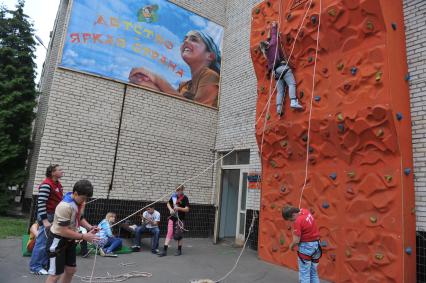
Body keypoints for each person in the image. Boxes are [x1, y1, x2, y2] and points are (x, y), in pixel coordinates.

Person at [129, 30, 221, 107]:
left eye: (194, 39)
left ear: (210, 56)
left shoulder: (211, 76)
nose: (186, 41)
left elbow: (196, 111)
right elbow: (175, 104)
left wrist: (158, 79)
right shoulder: (185, 85)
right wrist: (145, 83)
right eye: (185, 39)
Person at [45, 180, 100, 283]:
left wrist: (90, 227)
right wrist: (84, 236)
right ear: (75, 193)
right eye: (83, 198)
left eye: (86, 199)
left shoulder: (77, 202)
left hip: (69, 241)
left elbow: (80, 218)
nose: (84, 201)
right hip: (57, 242)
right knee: (55, 275)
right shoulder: (65, 207)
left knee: (70, 270)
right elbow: (63, 231)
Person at [259, 21, 303, 116]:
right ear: (267, 43)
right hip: (282, 68)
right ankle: (293, 101)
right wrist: (274, 26)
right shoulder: (272, 45)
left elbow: (270, 38)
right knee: (291, 83)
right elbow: (274, 36)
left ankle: (279, 108)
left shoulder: (266, 53)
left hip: (276, 73)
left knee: (280, 91)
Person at [29, 164, 64, 275]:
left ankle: (42, 264)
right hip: (47, 216)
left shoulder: (58, 184)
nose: (62, 171)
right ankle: (35, 267)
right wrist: (44, 221)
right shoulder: (46, 185)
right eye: (59, 170)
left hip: (54, 216)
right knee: (42, 243)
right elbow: (41, 203)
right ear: (53, 172)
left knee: (48, 242)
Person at [282, 206, 321, 283]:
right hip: (316, 246)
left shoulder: (298, 221)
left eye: (291, 219)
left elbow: (296, 241)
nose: (292, 221)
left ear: (293, 215)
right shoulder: (305, 211)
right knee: (313, 273)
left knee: (304, 274)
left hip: (306, 247)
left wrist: (291, 246)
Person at [158, 185, 190, 257]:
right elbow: (168, 203)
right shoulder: (174, 196)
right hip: (172, 218)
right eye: (177, 190)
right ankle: (164, 250)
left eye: (179, 190)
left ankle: (179, 250)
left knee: (179, 235)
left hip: (180, 219)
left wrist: (178, 208)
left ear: (182, 190)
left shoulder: (185, 198)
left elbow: (187, 209)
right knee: (169, 233)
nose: (178, 191)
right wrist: (170, 209)